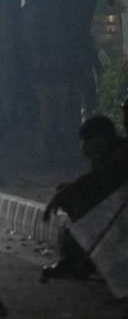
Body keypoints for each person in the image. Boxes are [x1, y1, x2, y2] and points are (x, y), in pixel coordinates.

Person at [42, 115, 128, 279]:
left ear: (101, 139)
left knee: (84, 200)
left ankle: (76, 260)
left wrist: (72, 191)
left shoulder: (122, 152)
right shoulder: (108, 154)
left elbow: (103, 178)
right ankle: (82, 259)